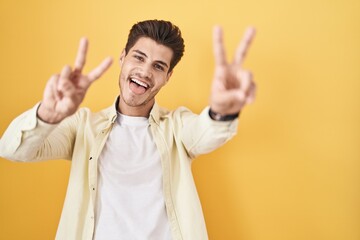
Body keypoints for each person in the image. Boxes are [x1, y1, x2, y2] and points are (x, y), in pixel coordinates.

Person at [0, 20, 256, 240]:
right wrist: (47, 114)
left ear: (168, 76)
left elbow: (205, 132)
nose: (144, 72)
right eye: (139, 57)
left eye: (158, 66)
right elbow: (12, 149)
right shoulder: (83, 126)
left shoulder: (177, 127)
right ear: (123, 57)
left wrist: (222, 111)